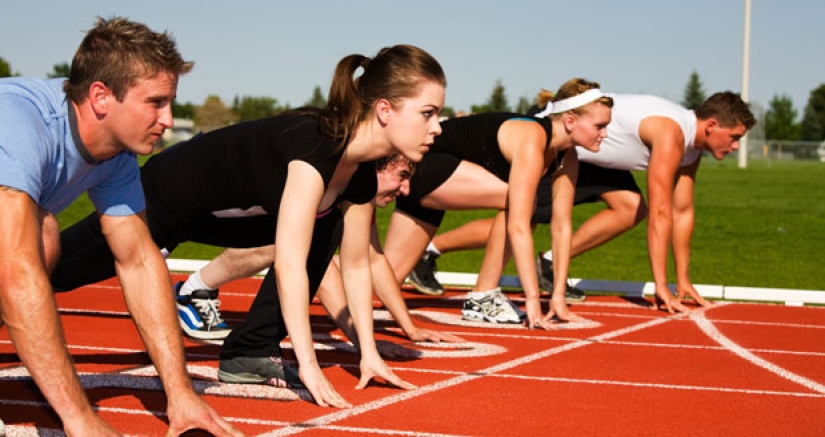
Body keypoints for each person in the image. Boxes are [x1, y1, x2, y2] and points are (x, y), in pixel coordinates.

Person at [51, 44, 447, 408]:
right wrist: (307, 364)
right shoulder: (316, 147)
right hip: (171, 194)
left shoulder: (359, 176)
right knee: (58, 268)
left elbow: (357, 265)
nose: (438, 127)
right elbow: (290, 263)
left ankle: (251, 349)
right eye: (427, 113)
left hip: (228, 216)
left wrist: (369, 352)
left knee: (328, 233)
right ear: (384, 110)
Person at [0, 17, 242, 436]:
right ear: (101, 97)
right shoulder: (18, 125)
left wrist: (179, 391)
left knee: (42, 235)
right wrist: (79, 418)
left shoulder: (116, 158)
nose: (168, 119)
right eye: (156, 102)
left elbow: (138, 261)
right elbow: (14, 273)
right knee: (30, 241)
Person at [406, 90, 756, 313]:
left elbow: (682, 212)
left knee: (631, 207)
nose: (737, 146)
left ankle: (551, 262)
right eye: (735, 137)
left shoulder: (691, 150)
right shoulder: (671, 133)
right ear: (712, 125)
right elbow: (664, 210)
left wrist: (683, 279)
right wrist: (660, 287)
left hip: (595, 157)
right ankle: (440, 256)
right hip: (564, 139)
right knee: (522, 211)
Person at [381, 79, 613, 331]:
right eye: (599, 126)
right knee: (521, 200)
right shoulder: (532, 138)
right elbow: (519, 226)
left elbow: (562, 225)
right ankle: (484, 295)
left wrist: (557, 297)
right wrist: (532, 300)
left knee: (381, 281)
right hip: (422, 166)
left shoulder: (568, 158)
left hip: (436, 177)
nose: (606, 134)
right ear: (570, 122)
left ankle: (330, 271)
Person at [172, 154, 464, 346]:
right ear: (378, 166)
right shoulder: (335, 184)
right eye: (401, 175)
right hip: (196, 194)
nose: (406, 190)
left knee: (282, 242)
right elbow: (321, 271)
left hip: (233, 205)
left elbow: (373, 258)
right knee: (283, 244)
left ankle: (195, 288)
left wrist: (409, 327)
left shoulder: (358, 193)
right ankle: (194, 289)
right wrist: (362, 341)